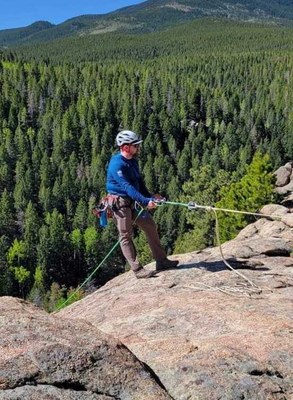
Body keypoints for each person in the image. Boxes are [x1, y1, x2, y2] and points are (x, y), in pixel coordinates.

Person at [106, 130, 179, 279]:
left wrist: (150, 196)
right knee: (125, 235)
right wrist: (146, 201)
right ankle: (137, 269)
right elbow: (127, 187)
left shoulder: (132, 161)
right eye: (135, 145)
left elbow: (138, 182)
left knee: (150, 225)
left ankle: (161, 261)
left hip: (131, 200)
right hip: (120, 204)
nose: (138, 148)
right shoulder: (117, 164)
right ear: (126, 147)